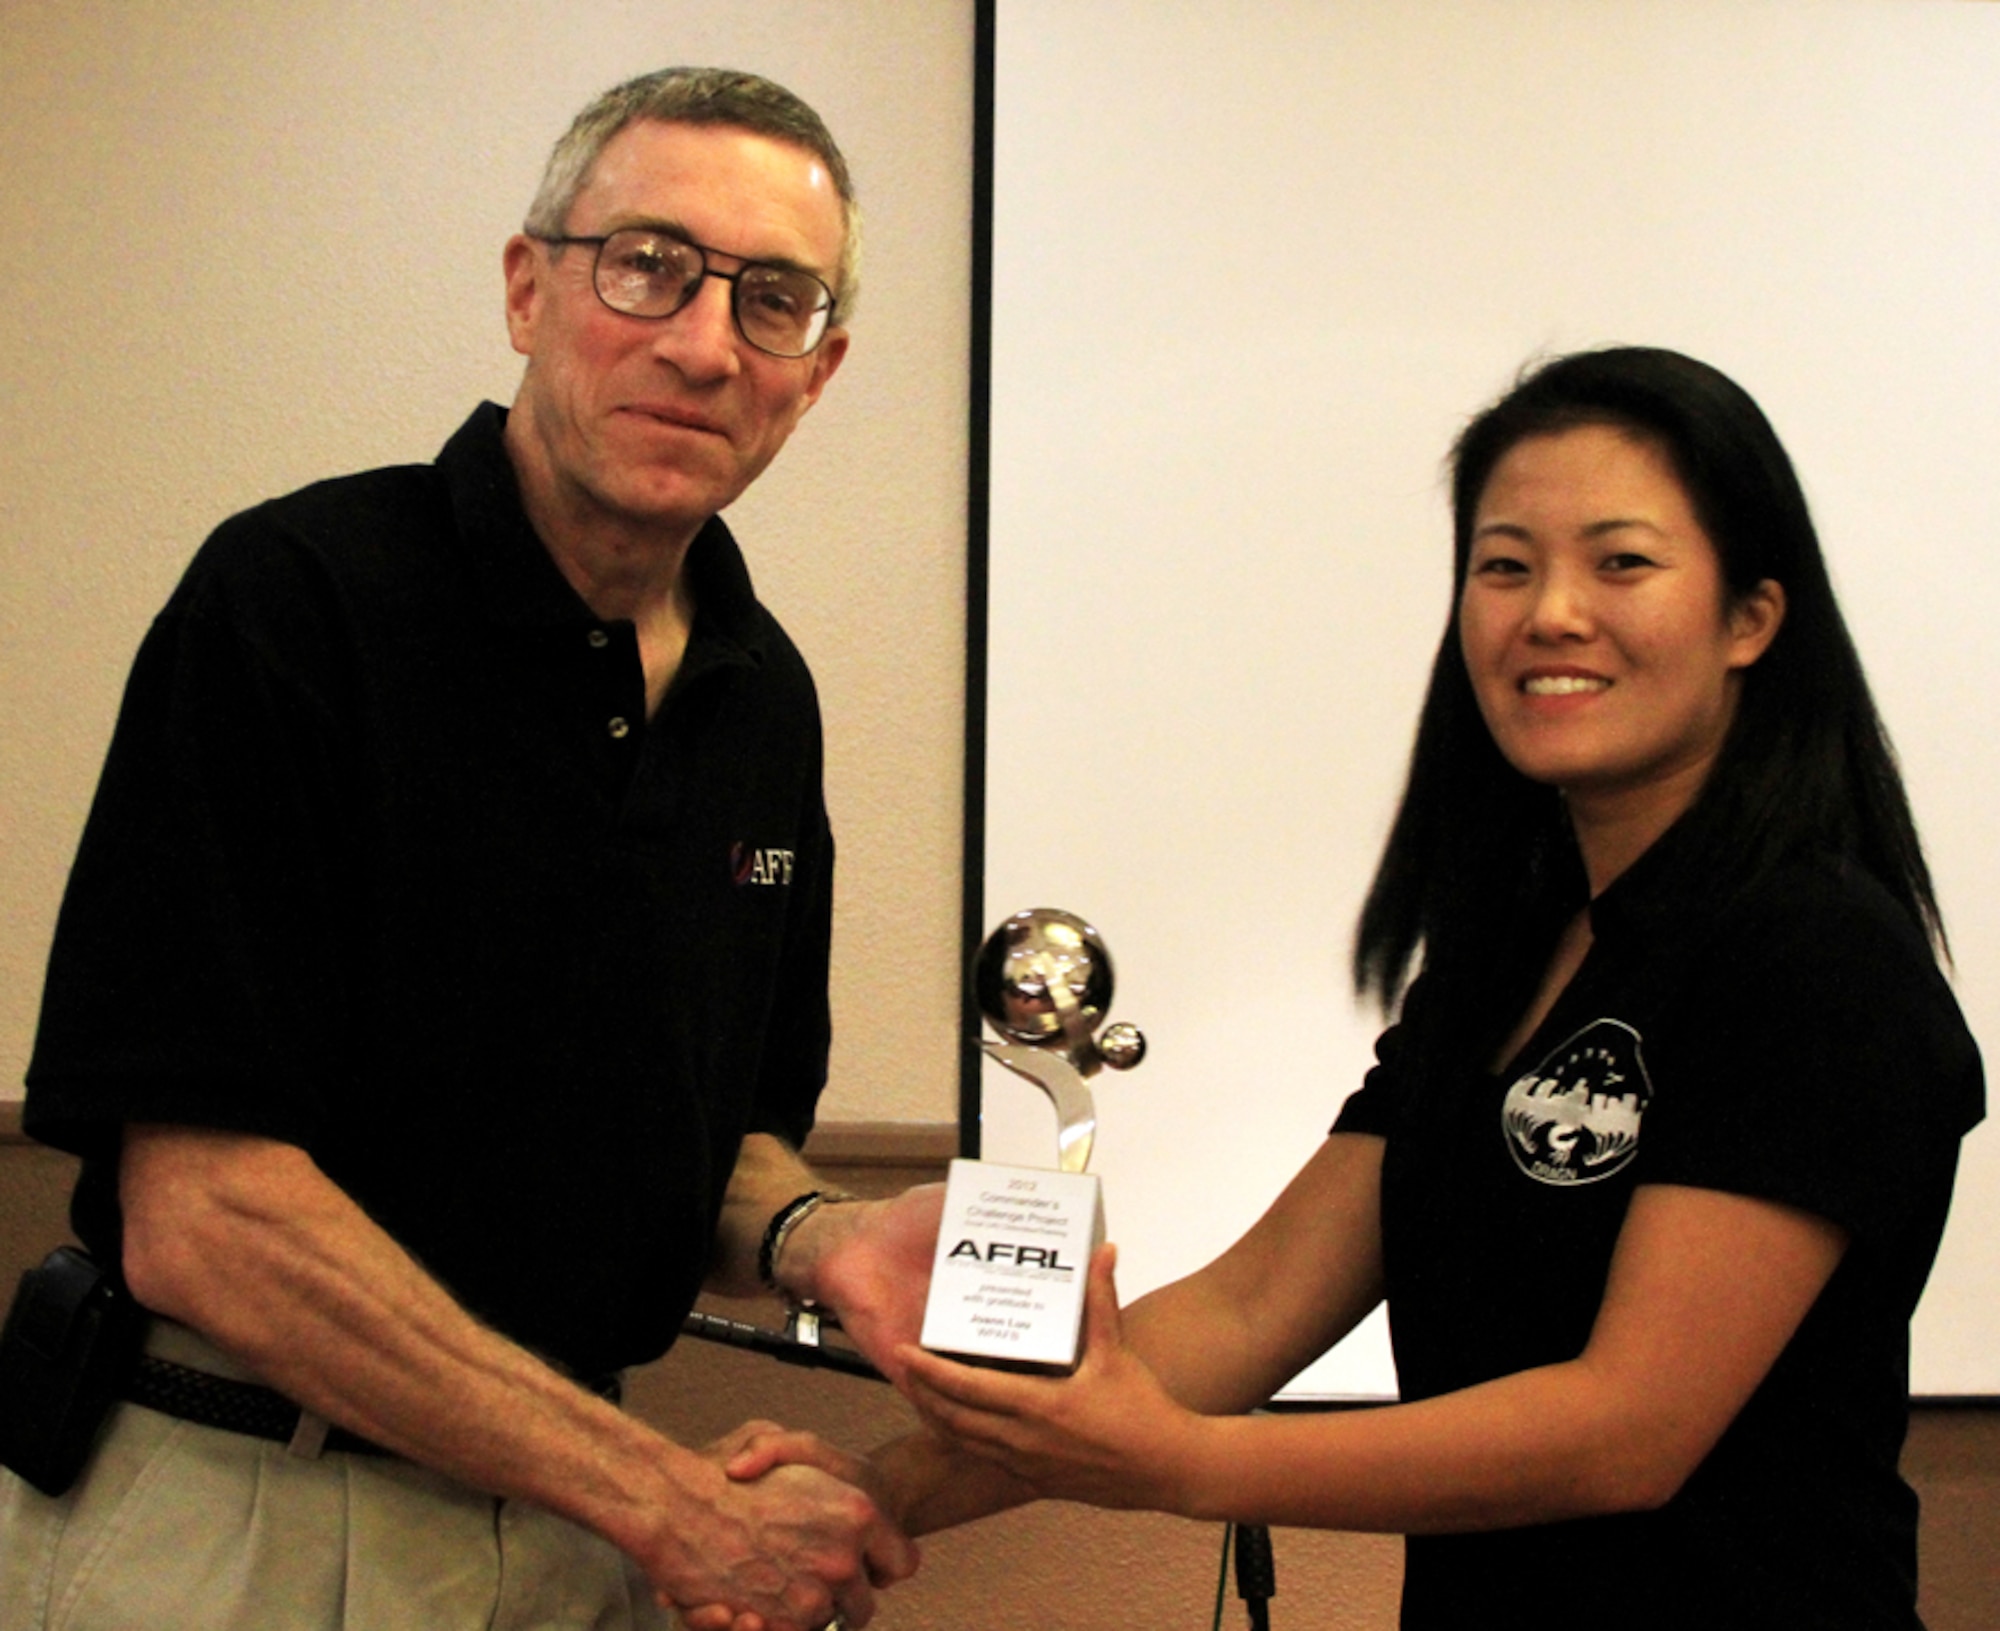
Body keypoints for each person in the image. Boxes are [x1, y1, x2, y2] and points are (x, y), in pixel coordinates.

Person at [740, 346, 1985, 1628]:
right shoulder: (1509, 953)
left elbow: (1624, 1427)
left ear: (1749, 617)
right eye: (1503, 565)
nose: (1549, 612)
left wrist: (1176, 1465)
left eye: (1620, 561)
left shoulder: (1815, 955)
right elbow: (1251, 1302)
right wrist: (882, 1488)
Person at [1, 66, 943, 1631]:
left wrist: (823, 1234)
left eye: (772, 300)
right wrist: (669, 1505)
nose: (704, 341)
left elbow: (710, 1141)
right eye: (650, 263)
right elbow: (204, 1208)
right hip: (247, 1511)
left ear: (817, 369)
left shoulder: (762, 697)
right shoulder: (292, 603)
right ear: (529, 286)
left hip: (576, 1529)